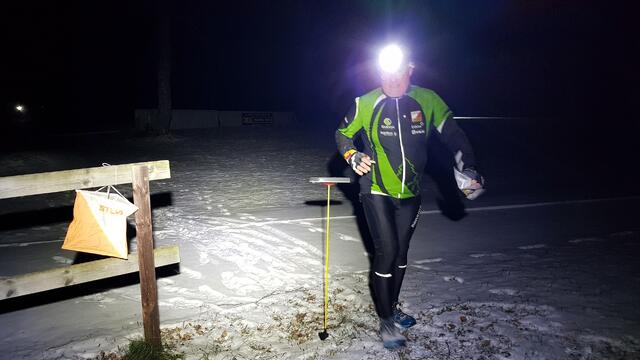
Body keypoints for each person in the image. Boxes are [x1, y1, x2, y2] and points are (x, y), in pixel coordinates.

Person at [335, 44, 485, 349]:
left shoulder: (427, 100)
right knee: (387, 251)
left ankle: (393, 305)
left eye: (398, 72)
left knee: (401, 255)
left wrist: (468, 167)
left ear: (410, 70)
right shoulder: (366, 103)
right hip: (375, 189)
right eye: (385, 72)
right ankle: (386, 319)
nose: (391, 79)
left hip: (412, 194)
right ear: (379, 72)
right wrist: (352, 155)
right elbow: (342, 133)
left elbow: (453, 134)